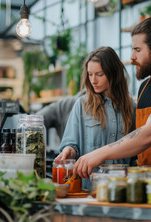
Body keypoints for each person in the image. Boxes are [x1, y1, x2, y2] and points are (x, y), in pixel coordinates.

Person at [73, 14, 151, 178]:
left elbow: (149, 135)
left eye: (137, 50)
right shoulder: (144, 88)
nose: (132, 57)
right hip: (146, 182)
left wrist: (98, 154)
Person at [56, 46, 135, 189]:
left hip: (123, 190)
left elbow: (137, 154)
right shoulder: (82, 105)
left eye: (99, 74)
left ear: (113, 74)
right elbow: (72, 145)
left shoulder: (132, 108)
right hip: (89, 190)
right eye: (90, 74)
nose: (93, 80)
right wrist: (68, 150)